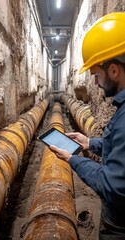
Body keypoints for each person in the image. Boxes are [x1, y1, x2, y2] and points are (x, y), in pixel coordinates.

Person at [50, 12, 125, 240]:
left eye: (96, 75)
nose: (95, 82)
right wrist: (90, 143)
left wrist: (74, 160)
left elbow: (113, 187)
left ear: (113, 70)